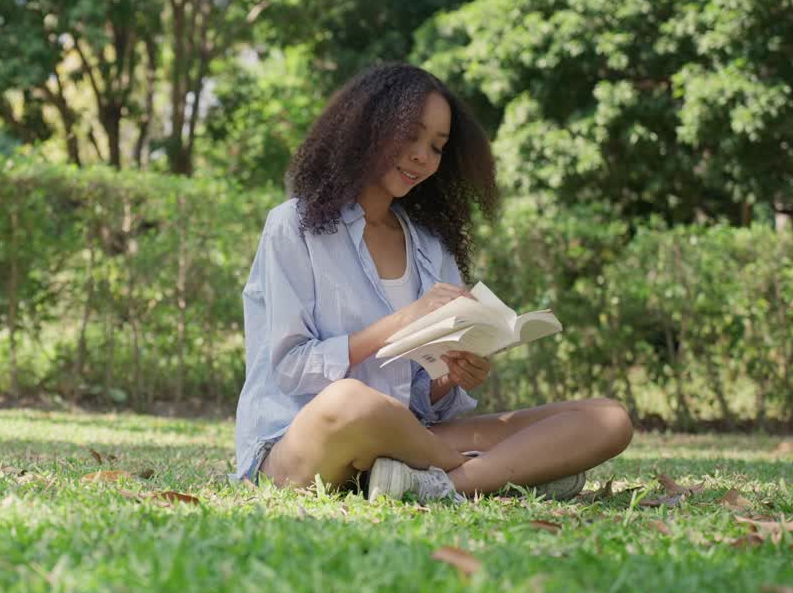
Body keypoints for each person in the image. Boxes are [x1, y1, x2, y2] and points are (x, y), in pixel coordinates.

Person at [233, 62, 633, 502]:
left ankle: (437, 484)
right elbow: (290, 367)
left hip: (412, 438)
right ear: (367, 127)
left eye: (437, 146)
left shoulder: (429, 244)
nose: (422, 156)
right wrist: (405, 319)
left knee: (607, 417)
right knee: (349, 401)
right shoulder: (294, 226)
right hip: (308, 441)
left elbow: (423, 400)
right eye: (410, 135)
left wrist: (452, 377)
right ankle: (501, 475)